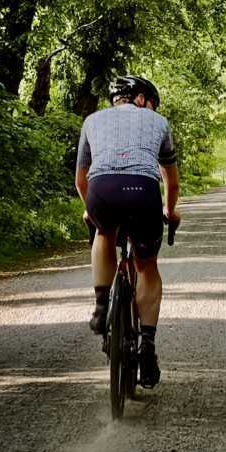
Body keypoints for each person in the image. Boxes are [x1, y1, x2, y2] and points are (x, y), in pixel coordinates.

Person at [75, 74, 181, 387]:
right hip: (144, 190)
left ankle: (101, 304)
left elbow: (81, 180)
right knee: (147, 266)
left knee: (104, 233)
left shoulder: (92, 121)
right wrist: (171, 211)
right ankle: (146, 347)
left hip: (101, 190)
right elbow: (171, 182)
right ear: (142, 99)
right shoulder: (158, 122)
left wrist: (91, 210)